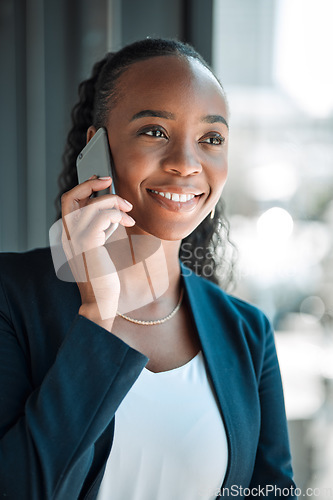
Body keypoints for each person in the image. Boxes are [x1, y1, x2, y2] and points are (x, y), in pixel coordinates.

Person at [0, 38, 297, 499]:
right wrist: (97, 313)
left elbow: (273, 493)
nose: (185, 164)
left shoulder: (248, 333)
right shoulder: (10, 298)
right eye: (155, 131)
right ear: (96, 148)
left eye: (211, 139)